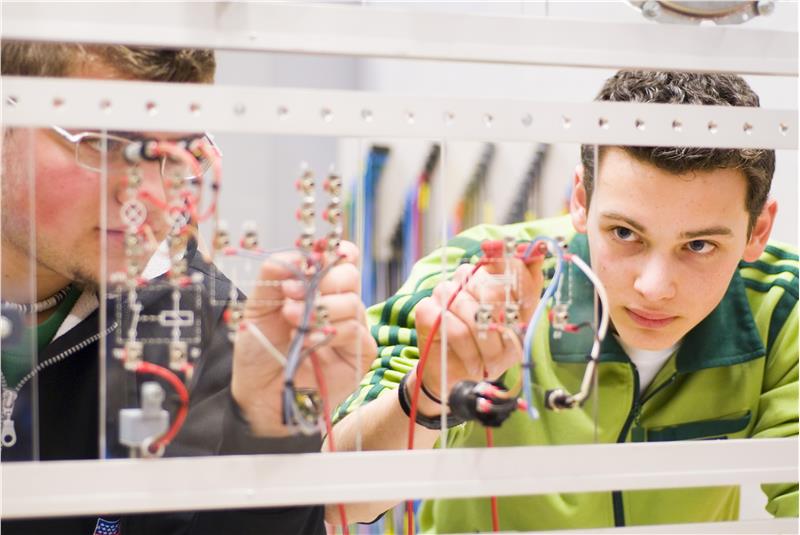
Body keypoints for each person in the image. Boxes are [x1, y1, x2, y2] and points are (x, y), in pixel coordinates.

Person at [329, 71, 798, 531]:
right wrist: (429, 392)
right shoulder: (479, 275)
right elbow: (336, 501)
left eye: (698, 245)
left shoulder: (782, 305)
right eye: (624, 233)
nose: (654, 287)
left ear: (757, 230)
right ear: (580, 200)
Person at [0, 42, 377, 534]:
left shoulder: (211, 333)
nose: (151, 198)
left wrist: (269, 435)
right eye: (104, 144)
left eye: (178, 156)